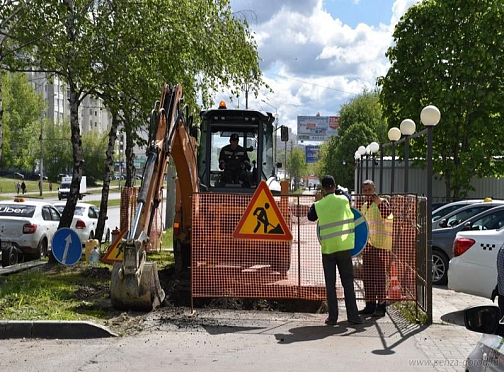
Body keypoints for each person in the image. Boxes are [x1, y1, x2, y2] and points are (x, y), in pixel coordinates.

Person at [307, 175, 362, 326]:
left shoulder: (319, 205)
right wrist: (336, 190)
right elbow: (347, 196)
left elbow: (310, 217)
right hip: (344, 248)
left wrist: (318, 200)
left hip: (328, 250)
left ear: (323, 188)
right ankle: (353, 316)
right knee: (348, 283)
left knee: (330, 285)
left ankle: (332, 318)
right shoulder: (344, 200)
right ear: (335, 185)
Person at [359, 180, 393, 317]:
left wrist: (379, 203)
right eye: (365, 190)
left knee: (379, 278)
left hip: (380, 246)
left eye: (369, 189)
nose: (367, 192)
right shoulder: (364, 206)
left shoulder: (382, 202)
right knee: (368, 277)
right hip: (367, 246)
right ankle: (370, 304)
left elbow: (387, 214)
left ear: (374, 188)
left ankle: (381, 306)